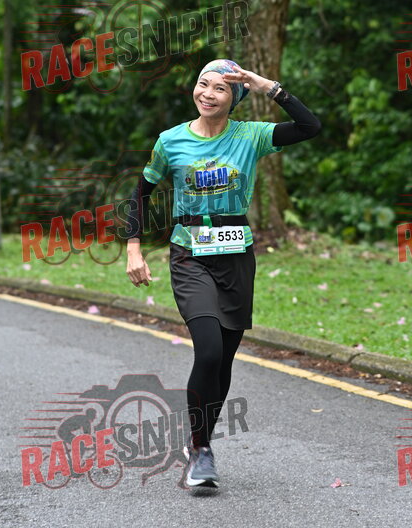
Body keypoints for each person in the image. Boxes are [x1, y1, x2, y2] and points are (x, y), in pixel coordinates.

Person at [124, 59, 321, 488]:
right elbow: (141, 192)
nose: (208, 94)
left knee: (225, 358)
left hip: (236, 257)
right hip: (189, 254)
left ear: (235, 98)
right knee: (209, 351)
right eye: (203, 84)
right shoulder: (171, 141)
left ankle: (201, 442)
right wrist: (134, 246)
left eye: (220, 88)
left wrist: (269, 86)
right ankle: (200, 451)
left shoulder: (251, 136)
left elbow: (310, 127)